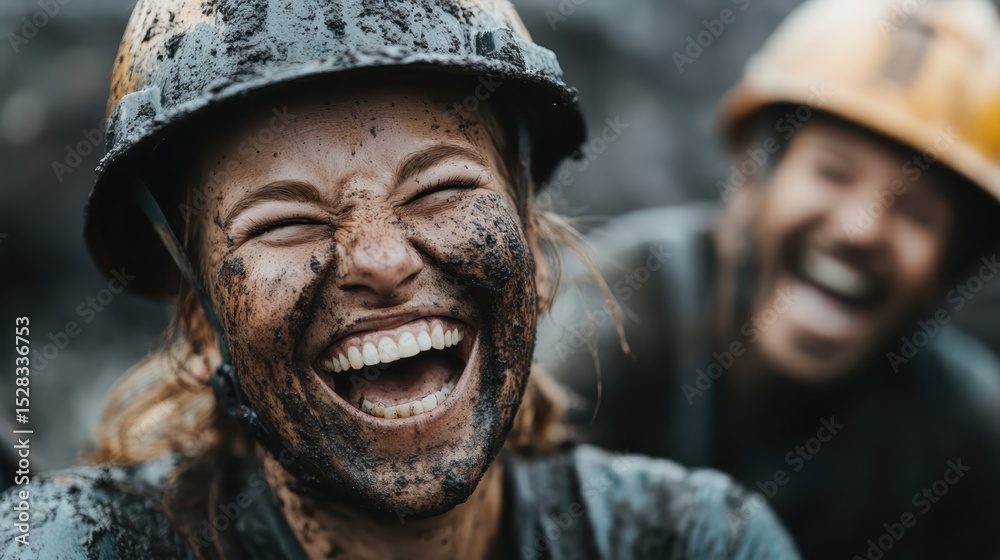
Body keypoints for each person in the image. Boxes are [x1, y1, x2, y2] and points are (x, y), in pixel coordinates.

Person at [0, 1, 800, 558]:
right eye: (283, 222)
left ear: (532, 247)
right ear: (203, 318)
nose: (380, 260)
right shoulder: (77, 545)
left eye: (441, 189)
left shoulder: (700, 541)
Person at [539, 0, 1000, 558]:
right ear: (748, 184)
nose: (861, 229)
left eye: (916, 211)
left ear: (949, 271)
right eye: (833, 172)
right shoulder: (618, 313)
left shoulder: (965, 437)